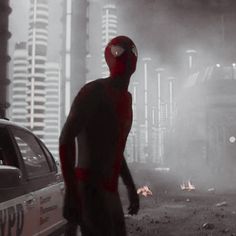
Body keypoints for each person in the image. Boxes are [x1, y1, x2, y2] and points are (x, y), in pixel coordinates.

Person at [59, 35, 139, 236]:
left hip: (108, 190)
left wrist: (129, 186)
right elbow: (66, 138)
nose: (127, 55)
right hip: (90, 188)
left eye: (132, 50)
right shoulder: (94, 92)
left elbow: (115, 149)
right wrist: (71, 191)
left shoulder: (125, 100)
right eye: (120, 51)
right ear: (110, 57)